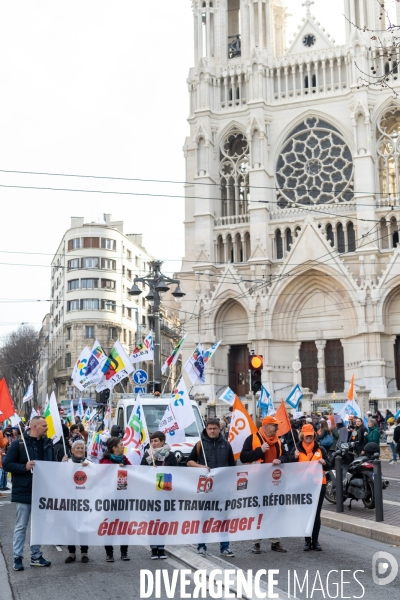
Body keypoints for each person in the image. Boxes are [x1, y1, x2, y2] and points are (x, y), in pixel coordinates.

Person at [3, 416, 60, 571]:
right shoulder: (19, 444)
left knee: (38, 526)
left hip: (42, 492)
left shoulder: (48, 444)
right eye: (44, 425)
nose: (47, 428)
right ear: (34, 426)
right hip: (25, 491)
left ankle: (36, 556)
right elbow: (6, 464)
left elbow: (54, 466)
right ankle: (17, 557)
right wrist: (24, 467)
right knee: (21, 525)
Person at [240, 415, 289, 554]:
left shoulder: (278, 441)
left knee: (274, 512)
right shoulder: (252, 439)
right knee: (257, 512)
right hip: (257, 482)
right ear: (266, 427)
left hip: (274, 483)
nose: (278, 428)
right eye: (275, 426)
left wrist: (280, 459)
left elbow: (287, 455)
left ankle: (275, 542)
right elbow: (243, 457)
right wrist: (260, 451)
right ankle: (256, 543)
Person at [187, 418, 236, 557]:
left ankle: (225, 547)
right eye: (210, 428)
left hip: (223, 489)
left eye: (215, 428)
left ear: (219, 429)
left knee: (223, 518)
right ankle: (201, 546)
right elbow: (189, 462)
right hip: (206, 489)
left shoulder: (226, 445)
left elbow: (232, 466)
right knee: (205, 518)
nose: (212, 431)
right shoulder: (200, 444)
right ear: (206, 429)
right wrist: (201, 467)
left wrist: (231, 484)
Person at [291, 423, 330, 551]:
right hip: (302, 487)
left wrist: (324, 462)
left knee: (316, 514)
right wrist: (293, 458)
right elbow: (289, 466)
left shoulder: (320, 449)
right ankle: (307, 541)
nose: (309, 438)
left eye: (311, 436)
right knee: (305, 514)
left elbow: (329, 465)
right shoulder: (296, 449)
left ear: (314, 435)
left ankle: (315, 541)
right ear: (302, 436)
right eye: (306, 436)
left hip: (318, 486)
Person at [141, 431, 177, 559]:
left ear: (162, 441)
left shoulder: (170, 456)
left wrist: (164, 471)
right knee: (153, 522)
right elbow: (141, 472)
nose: (153, 443)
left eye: (156, 441)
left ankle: (161, 547)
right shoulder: (147, 455)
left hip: (166, 493)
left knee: (163, 522)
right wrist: (151, 471)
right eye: (152, 441)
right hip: (152, 494)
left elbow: (177, 473)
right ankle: (153, 549)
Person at [99, 437, 131, 562]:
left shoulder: (125, 459)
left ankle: (124, 552)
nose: (123, 446)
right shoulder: (105, 461)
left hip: (124, 498)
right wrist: (118, 468)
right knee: (110, 526)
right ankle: (109, 553)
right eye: (121, 445)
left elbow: (134, 471)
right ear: (114, 448)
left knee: (124, 526)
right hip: (110, 500)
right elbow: (104, 474)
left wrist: (126, 467)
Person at [62, 440, 91, 563]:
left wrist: (90, 468)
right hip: (70, 501)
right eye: (77, 448)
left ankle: (84, 552)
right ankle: (71, 552)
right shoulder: (66, 463)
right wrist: (62, 464)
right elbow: (59, 477)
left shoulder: (89, 463)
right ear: (72, 450)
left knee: (83, 527)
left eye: (82, 448)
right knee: (71, 527)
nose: (80, 450)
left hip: (85, 501)